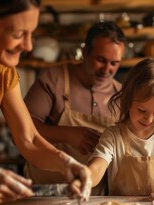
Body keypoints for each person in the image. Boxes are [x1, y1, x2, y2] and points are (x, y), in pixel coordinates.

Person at [0, 0, 92, 204]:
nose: (29, 46)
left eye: (31, 33)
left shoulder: (0, 69)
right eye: (18, 34)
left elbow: (29, 139)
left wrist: (66, 163)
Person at [23, 21, 126, 193]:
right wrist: (67, 134)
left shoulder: (121, 96)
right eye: (101, 60)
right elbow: (23, 130)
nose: (106, 70)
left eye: (114, 63)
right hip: (47, 192)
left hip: (97, 196)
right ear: (85, 52)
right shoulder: (53, 79)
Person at [88, 58, 154, 200]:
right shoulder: (114, 136)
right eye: (141, 110)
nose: (148, 119)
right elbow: (97, 167)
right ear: (128, 100)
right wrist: (85, 178)